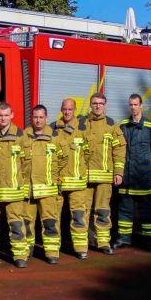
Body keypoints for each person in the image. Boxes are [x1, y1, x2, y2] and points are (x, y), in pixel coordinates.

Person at [80, 93, 125, 255]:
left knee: (103, 210)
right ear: (90, 105)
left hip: (105, 178)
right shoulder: (82, 124)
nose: (98, 106)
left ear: (105, 105)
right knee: (82, 211)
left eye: (100, 103)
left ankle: (103, 242)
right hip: (84, 177)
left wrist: (118, 172)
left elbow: (119, 150)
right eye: (95, 103)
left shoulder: (112, 125)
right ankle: (81, 244)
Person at [114, 94, 151, 251]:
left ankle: (149, 240)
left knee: (147, 212)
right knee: (125, 211)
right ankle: (123, 239)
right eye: (131, 105)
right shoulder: (123, 126)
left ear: (141, 106)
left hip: (144, 178)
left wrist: (145, 166)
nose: (133, 107)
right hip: (127, 177)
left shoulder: (150, 126)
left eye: (136, 104)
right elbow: (119, 148)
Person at [0, 102, 29, 268]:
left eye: (6, 115)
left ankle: (20, 256)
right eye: (0, 115)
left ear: (12, 115)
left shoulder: (21, 135)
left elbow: (26, 162)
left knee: (16, 224)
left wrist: (22, 183)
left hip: (13, 190)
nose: (3, 118)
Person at [24, 105, 67, 264]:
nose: (38, 120)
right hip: (29, 189)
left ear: (46, 118)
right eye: (35, 117)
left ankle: (52, 252)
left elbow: (64, 158)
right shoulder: (24, 136)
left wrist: (52, 175)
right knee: (26, 222)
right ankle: (26, 250)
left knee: (50, 222)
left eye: (41, 117)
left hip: (48, 189)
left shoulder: (55, 136)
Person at [51, 98, 90, 260]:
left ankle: (81, 249)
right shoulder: (53, 128)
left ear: (75, 110)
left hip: (76, 182)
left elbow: (88, 153)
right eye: (64, 109)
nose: (67, 112)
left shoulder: (82, 128)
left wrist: (81, 170)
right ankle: (53, 251)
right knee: (53, 217)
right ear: (61, 109)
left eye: (70, 109)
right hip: (58, 182)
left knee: (79, 216)